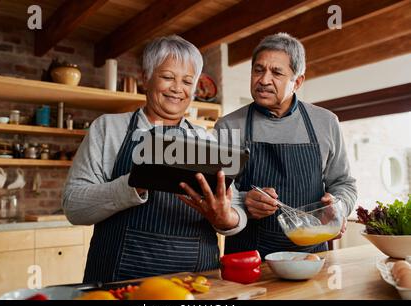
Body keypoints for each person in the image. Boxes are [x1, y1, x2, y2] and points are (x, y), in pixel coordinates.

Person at [62, 35, 247, 283]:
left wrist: (227, 219)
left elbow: (238, 209)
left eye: (187, 81)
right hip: (120, 281)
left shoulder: (208, 141)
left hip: (197, 283)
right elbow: (74, 207)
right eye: (168, 77)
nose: (177, 88)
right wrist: (135, 183)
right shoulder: (108, 129)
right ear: (145, 78)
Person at [215, 33, 357, 258]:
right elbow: (220, 194)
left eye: (277, 73)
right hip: (249, 260)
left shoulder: (326, 122)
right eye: (258, 70)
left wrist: (339, 206)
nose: (263, 80)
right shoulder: (228, 126)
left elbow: (344, 183)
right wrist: (244, 202)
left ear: (297, 81)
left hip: (312, 258)